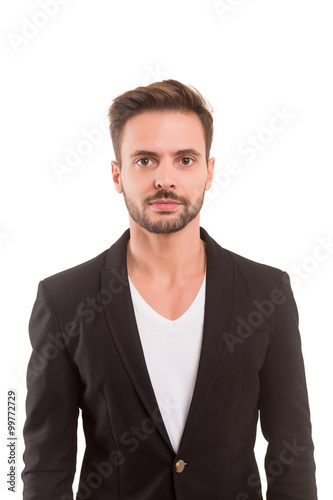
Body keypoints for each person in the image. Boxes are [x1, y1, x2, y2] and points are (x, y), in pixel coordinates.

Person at [21, 79, 318, 500]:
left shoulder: (266, 293)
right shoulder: (64, 300)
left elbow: (292, 452)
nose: (165, 179)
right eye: (145, 160)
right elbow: (44, 466)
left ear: (209, 171)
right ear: (117, 174)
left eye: (184, 159)